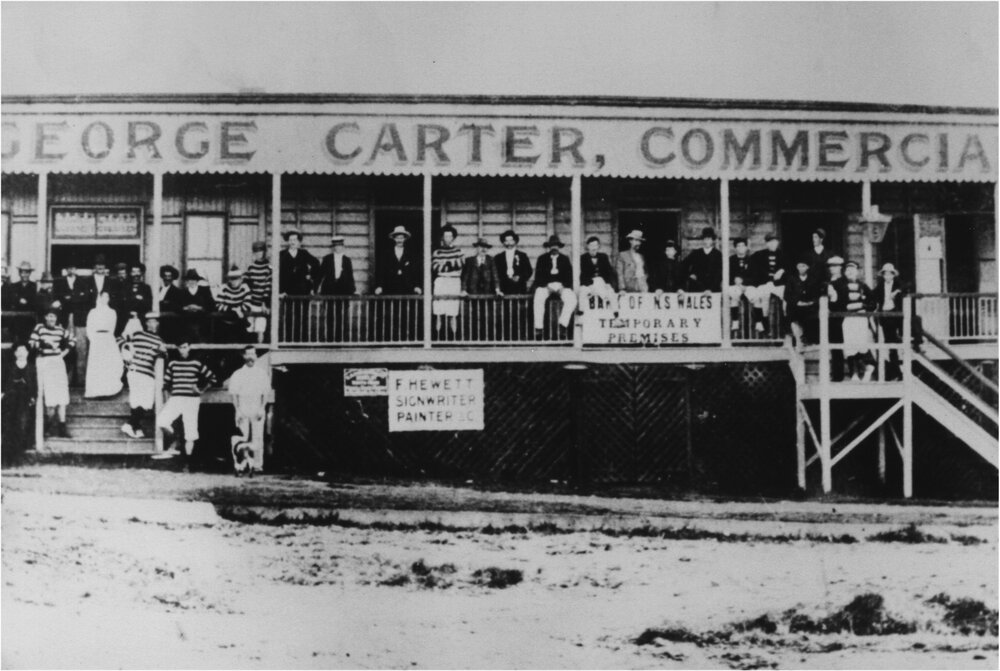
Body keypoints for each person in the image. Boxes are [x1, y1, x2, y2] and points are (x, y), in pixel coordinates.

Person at [154, 340, 216, 461]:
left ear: (189, 347)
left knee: (190, 431)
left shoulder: (196, 363)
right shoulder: (173, 363)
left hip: (191, 400)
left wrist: (201, 390)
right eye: (180, 347)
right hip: (176, 398)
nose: (183, 350)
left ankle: (188, 462)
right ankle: (176, 441)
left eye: (185, 347)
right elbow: (166, 384)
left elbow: (212, 378)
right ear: (177, 348)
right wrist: (167, 400)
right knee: (161, 421)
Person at [29, 308, 76, 438]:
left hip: (57, 362)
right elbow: (32, 342)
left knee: (62, 393)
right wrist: (45, 344)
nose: (51, 319)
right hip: (44, 362)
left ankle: (62, 427)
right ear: (45, 317)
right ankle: (47, 426)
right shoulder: (39, 328)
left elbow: (73, 340)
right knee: (48, 395)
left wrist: (64, 352)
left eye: (54, 317)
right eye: (49, 316)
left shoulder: (60, 330)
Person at [119, 311, 167, 439]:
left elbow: (164, 356)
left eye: (156, 321)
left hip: (146, 373)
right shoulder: (138, 334)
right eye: (151, 321)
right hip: (137, 371)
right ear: (146, 323)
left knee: (142, 402)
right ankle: (129, 424)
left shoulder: (159, 340)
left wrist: (162, 351)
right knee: (142, 401)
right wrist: (127, 353)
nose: (154, 324)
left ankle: (137, 427)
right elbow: (120, 340)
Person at [227, 345, 270, 475]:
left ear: (256, 356)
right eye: (248, 354)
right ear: (244, 356)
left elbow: (265, 393)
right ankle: (243, 463)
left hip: (257, 405)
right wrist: (238, 410)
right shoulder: (238, 374)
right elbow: (234, 394)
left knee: (257, 436)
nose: (250, 356)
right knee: (242, 437)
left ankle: (257, 465)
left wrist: (262, 408)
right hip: (242, 406)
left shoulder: (262, 373)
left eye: (253, 354)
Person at [374, 225, 422, 341]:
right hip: (390, 288)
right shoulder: (386, 253)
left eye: (402, 237)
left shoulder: (411, 254)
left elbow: (415, 271)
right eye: (397, 237)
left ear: (405, 239)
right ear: (394, 239)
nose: (400, 240)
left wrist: (416, 286)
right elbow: (381, 271)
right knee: (391, 315)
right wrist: (379, 286)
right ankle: (391, 339)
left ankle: (406, 340)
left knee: (406, 315)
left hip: (407, 288)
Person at [830, 261, 876, 381]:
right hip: (847, 319)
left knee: (861, 344)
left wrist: (863, 305)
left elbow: (873, 303)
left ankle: (869, 368)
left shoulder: (863, 286)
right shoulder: (839, 284)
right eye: (847, 270)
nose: (850, 272)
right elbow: (831, 297)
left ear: (857, 271)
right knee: (849, 346)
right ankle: (853, 373)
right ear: (844, 272)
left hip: (860, 319)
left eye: (853, 269)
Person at [54, 262, 95, 385]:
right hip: (64, 320)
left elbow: (86, 300)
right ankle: (66, 380)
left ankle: (81, 381)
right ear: (66, 269)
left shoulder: (83, 283)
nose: (71, 269)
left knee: (81, 349)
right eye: (69, 267)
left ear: (76, 269)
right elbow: (57, 299)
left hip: (80, 321)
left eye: (73, 267)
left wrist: (69, 299)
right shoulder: (59, 283)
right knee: (65, 348)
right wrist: (72, 299)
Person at [532, 235, 577, 339]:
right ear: (549, 247)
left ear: (559, 247)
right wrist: (547, 286)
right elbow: (538, 276)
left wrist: (562, 287)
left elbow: (569, 276)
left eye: (556, 246)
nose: (554, 248)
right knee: (538, 296)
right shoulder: (542, 259)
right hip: (546, 285)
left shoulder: (564, 259)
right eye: (552, 246)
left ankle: (563, 325)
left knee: (572, 299)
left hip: (561, 285)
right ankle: (539, 328)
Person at [279, 229, 319, 341]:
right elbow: (278, 275)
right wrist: (281, 291)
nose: (292, 242)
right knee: (288, 317)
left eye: (295, 240)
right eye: (290, 240)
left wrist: (310, 276)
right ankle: (289, 341)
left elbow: (316, 264)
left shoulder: (304, 254)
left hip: (302, 291)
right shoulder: (282, 255)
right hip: (287, 292)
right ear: (287, 241)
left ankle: (302, 341)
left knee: (302, 317)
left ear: (299, 242)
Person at [84, 291, 125, 398]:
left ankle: (109, 390)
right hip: (96, 340)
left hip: (108, 339)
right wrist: (93, 340)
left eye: (107, 297)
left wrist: (108, 340)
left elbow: (112, 327)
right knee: (97, 365)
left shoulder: (112, 312)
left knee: (109, 363)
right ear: (99, 297)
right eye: (103, 296)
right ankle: (96, 391)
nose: (105, 299)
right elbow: (89, 327)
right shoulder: (93, 312)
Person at [316, 235, 356, 342]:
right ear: (333, 247)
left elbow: (350, 276)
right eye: (335, 246)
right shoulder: (327, 259)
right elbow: (320, 275)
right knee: (330, 315)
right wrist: (315, 288)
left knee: (342, 316)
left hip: (343, 291)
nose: (337, 248)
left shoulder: (347, 260)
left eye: (340, 245)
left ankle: (340, 338)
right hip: (329, 291)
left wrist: (352, 290)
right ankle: (329, 338)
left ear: (343, 246)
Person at [2, 344, 37, 464]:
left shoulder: (32, 368)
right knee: (8, 427)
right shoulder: (9, 367)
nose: (21, 353)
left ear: (27, 353)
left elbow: (35, 386)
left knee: (21, 425)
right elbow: (3, 383)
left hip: (25, 402)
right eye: (19, 351)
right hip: (10, 401)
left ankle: (17, 456)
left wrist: (33, 397)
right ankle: (6, 458)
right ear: (15, 353)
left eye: (24, 350)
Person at [494, 229, 532, 340]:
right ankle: (506, 337)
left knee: (519, 314)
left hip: (519, 288)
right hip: (505, 289)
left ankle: (519, 337)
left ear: (515, 241)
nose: (509, 243)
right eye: (506, 241)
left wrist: (520, 277)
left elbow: (528, 271)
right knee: (506, 314)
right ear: (503, 242)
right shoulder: (498, 257)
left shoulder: (522, 255)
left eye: (511, 240)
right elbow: (496, 273)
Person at [461, 237, 502, 340]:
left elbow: (495, 276)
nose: (483, 250)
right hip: (473, 294)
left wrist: (497, 289)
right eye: (481, 247)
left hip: (487, 293)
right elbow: (465, 276)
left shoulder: (491, 260)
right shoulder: (469, 261)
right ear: (476, 248)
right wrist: (464, 290)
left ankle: (487, 339)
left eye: (485, 247)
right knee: (473, 317)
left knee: (487, 317)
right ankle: (474, 339)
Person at [749, 233, 788, 335]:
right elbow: (756, 270)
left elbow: (789, 268)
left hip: (778, 285)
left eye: (775, 242)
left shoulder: (783, 255)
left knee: (787, 296)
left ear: (778, 243)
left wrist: (782, 270)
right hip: (765, 283)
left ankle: (786, 322)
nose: (773, 244)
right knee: (763, 295)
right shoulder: (759, 255)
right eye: (770, 242)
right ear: (766, 243)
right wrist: (769, 277)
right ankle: (763, 321)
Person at [873, 262, 906, 380]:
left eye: (889, 274)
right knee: (889, 342)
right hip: (885, 315)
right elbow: (873, 295)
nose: (887, 276)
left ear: (893, 275)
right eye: (885, 274)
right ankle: (896, 371)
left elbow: (907, 286)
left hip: (895, 315)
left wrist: (896, 292)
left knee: (892, 341)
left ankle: (897, 370)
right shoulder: (881, 286)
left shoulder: (897, 284)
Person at [431, 225, 464, 340]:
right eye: (446, 236)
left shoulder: (458, 251)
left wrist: (445, 265)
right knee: (439, 311)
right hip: (441, 282)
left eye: (450, 236)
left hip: (454, 282)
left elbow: (461, 265)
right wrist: (451, 265)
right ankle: (438, 338)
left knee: (453, 312)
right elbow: (435, 268)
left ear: (453, 237)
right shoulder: (437, 252)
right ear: (442, 237)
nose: (448, 238)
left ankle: (453, 338)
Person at [784, 256, 822, 346]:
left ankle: (809, 339)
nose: (801, 268)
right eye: (799, 266)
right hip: (796, 306)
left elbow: (817, 294)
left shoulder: (813, 280)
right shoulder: (792, 279)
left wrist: (811, 302)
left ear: (808, 267)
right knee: (793, 317)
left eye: (804, 266)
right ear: (797, 267)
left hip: (809, 306)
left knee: (812, 317)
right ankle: (798, 339)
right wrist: (797, 302)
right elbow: (787, 295)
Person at [579, 236, 617, 311]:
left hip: (602, 282)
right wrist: (589, 284)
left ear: (598, 246)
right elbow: (582, 274)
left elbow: (609, 272)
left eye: (596, 245)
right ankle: (581, 313)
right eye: (591, 245)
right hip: (589, 283)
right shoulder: (583, 258)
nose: (594, 248)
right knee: (582, 291)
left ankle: (616, 314)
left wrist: (608, 283)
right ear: (587, 246)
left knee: (611, 292)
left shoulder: (603, 257)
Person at [245, 241, 273, 343]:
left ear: (264, 252)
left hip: (261, 304)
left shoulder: (268, 268)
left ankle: (259, 352)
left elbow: (268, 287)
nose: (258, 254)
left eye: (260, 251)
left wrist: (264, 303)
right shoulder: (251, 267)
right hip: (251, 303)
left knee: (260, 329)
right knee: (249, 328)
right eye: (255, 252)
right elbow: (247, 285)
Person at [215, 265, 252, 342]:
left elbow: (247, 305)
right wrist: (233, 309)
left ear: (241, 279)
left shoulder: (245, 287)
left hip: (239, 323)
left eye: (236, 279)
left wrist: (238, 309)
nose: (234, 282)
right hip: (225, 323)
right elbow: (218, 304)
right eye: (232, 279)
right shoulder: (224, 287)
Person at [177, 269, 215, 342]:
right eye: (189, 280)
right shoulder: (181, 292)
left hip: (202, 325)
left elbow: (212, 305)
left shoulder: (204, 291)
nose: (192, 282)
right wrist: (185, 308)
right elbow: (176, 306)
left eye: (194, 279)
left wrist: (200, 308)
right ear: (186, 281)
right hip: (187, 326)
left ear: (197, 281)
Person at [825, 256, 846, 381]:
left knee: (839, 344)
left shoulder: (843, 282)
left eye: (836, 266)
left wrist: (833, 304)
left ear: (840, 268)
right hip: (829, 316)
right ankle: (834, 373)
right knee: (832, 345)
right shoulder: (828, 281)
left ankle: (839, 375)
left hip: (839, 315)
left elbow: (842, 300)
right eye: (831, 266)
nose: (833, 269)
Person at [727, 238, 754, 335]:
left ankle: (758, 322)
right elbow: (728, 276)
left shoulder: (751, 260)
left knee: (756, 296)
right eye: (738, 246)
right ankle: (735, 321)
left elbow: (754, 276)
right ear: (735, 248)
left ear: (746, 247)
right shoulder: (730, 260)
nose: (741, 248)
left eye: (743, 246)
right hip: (734, 286)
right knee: (734, 295)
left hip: (747, 286)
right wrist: (736, 282)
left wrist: (744, 282)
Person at [683, 227, 723, 292]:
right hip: (697, 286)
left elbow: (719, 273)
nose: (707, 241)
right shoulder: (696, 253)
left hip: (713, 287)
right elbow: (684, 264)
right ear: (703, 240)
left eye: (709, 239)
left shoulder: (718, 254)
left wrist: (711, 288)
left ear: (713, 240)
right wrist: (690, 274)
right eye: (705, 239)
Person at [10, 261, 38, 342]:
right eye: (22, 273)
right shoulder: (13, 286)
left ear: (30, 274)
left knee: (29, 341)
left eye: (27, 273)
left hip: (30, 319)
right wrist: (19, 300)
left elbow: (35, 301)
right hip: (17, 319)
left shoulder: (34, 286)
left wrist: (27, 302)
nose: (24, 275)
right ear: (19, 273)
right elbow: (11, 300)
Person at [123, 262, 153, 333]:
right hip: (126, 320)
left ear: (141, 273)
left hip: (141, 320)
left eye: (138, 271)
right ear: (130, 273)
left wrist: (141, 301)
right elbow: (121, 304)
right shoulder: (125, 287)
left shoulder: (146, 288)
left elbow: (149, 305)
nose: (136, 274)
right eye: (133, 272)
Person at [157, 265, 184, 342]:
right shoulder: (158, 290)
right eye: (165, 276)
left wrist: (165, 304)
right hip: (159, 322)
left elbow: (177, 306)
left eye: (169, 276)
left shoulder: (177, 292)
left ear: (173, 278)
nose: (167, 278)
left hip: (169, 323)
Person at [109, 262, 131, 334]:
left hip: (127, 315)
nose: (121, 276)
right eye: (119, 274)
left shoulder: (129, 285)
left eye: (123, 274)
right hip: (116, 314)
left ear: (127, 274)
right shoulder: (113, 286)